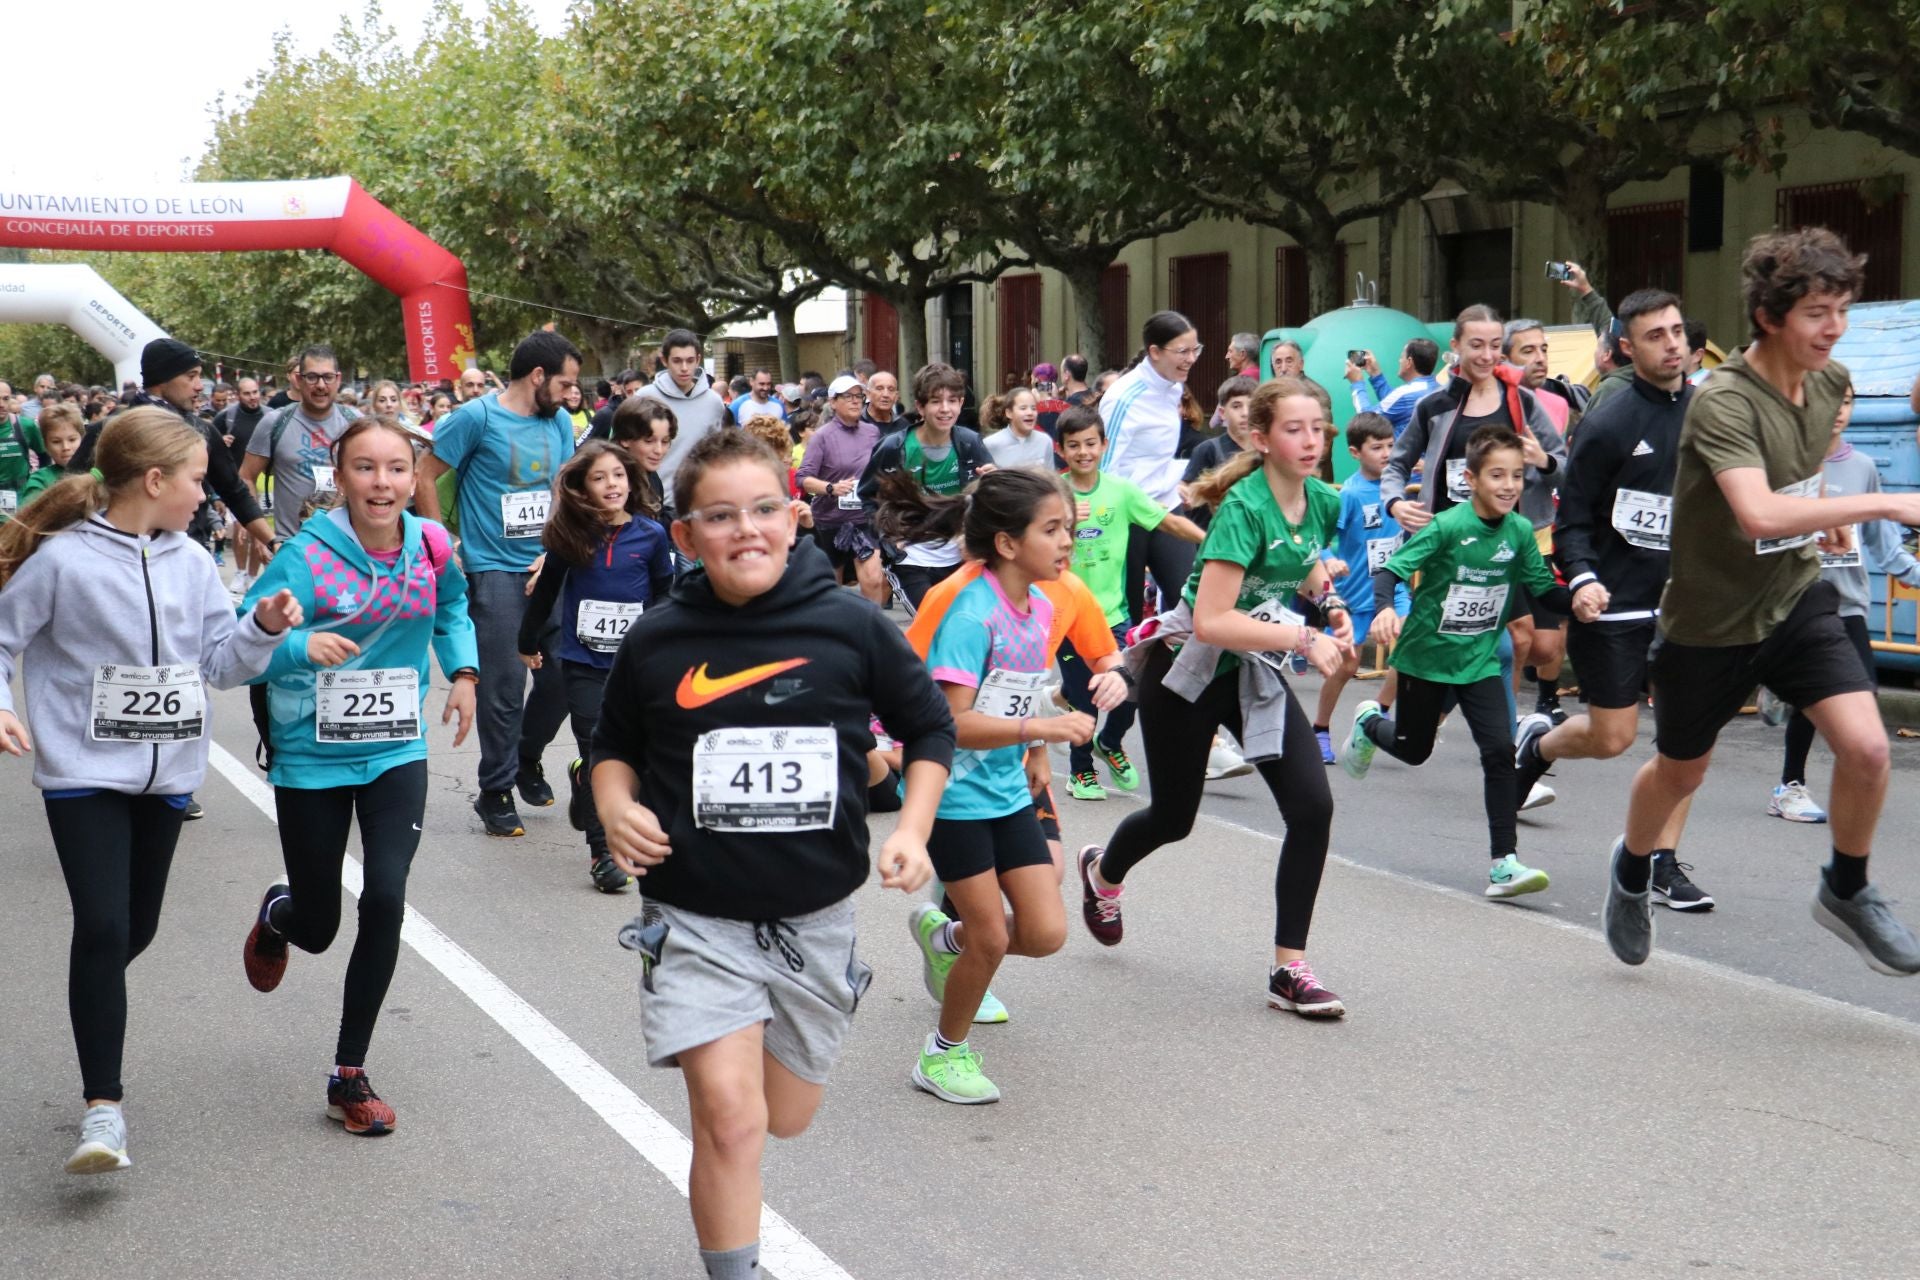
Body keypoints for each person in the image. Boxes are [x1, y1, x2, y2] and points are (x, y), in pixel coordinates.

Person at [589, 429, 951, 1280]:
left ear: (795, 521)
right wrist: (613, 806)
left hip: (814, 917)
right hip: (695, 916)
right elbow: (614, 746)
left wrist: (912, 828)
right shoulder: (658, 638)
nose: (744, 530)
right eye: (719, 516)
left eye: (761, 510)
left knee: (783, 1115)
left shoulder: (851, 624)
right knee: (729, 1117)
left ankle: (829, 992)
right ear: (684, 536)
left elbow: (930, 725)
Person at [1600, 229, 1920, 974]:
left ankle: (1846, 886)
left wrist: (1836, 516)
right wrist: (1884, 505)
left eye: (1841, 308)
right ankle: (1631, 867)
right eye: (1816, 311)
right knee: (1681, 771)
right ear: (1771, 316)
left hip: (1796, 598)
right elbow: (1758, 514)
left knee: (1870, 748)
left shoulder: (1832, 382)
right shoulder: (1723, 405)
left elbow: (1798, 491)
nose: (1834, 326)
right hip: (1709, 624)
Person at [0, 408, 298, 1174]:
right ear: (156, 480)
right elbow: (3, 637)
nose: (208, 496)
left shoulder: (193, 564)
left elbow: (223, 666)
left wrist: (261, 625)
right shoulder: (63, 560)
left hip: (169, 776)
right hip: (83, 774)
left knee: (132, 931)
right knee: (102, 929)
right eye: (199, 480)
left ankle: (93, 998)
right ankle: (104, 1112)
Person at [1078, 377, 1351, 1018]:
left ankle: (1290, 970)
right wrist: (1304, 635)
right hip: (1186, 672)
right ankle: (1103, 873)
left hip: (1249, 672)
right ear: (1261, 438)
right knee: (1174, 818)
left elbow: (1302, 556)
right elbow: (1211, 622)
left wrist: (1329, 598)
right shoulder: (1242, 509)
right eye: (1294, 429)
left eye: (1318, 428)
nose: (1310, 440)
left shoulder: (1322, 500)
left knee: (1312, 810)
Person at [238, 418, 477, 1135]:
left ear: (414, 477)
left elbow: (454, 608)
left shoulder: (432, 545)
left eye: (397, 469)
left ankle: (349, 1074)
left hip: (394, 748)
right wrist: (302, 642)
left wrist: (462, 670)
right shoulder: (309, 556)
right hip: (310, 751)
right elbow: (246, 648)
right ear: (338, 478)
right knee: (318, 926)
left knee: (388, 896)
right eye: (366, 469)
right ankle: (281, 915)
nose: (383, 483)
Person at [880, 468, 1094, 1102]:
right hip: (952, 797)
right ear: (1007, 543)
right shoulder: (973, 616)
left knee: (1047, 932)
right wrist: (1046, 727)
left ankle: (943, 937)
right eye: (1052, 530)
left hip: (1004, 791)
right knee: (994, 936)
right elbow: (950, 722)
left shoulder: (1042, 607)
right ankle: (943, 1055)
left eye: (1069, 530)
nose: (1066, 543)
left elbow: (1020, 686)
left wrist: (1034, 747)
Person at [1512, 289, 1712, 909]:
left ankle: (1659, 861)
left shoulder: (1709, 412)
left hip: (1685, 604)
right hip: (1615, 598)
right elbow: (1572, 521)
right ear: (1627, 346)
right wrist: (1584, 577)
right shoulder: (1609, 420)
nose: (1672, 344)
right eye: (1656, 335)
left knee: (1687, 742)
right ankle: (1538, 746)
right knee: (1613, 738)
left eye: (1677, 331)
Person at [1341, 426, 1593, 899]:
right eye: (1497, 474)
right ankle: (1370, 722)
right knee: (1415, 750)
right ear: (1472, 479)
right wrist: (1385, 610)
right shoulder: (1446, 527)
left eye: (1517, 476)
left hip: (1477, 661)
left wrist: (1578, 599)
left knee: (1498, 753)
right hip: (1425, 659)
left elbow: (1543, 590)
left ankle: (1504, 864)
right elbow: (1390, 570)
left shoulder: (1519, 532)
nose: (1509, 485)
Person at [1379, 304, 1568, 803]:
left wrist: (1542, 458)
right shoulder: (1436, 406)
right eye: (1475, 344)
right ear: (1455, 349)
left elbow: (1568, 465)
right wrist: (1397, 502)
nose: (1485, 354)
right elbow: (1397, 465)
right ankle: (1506, 767)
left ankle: (1397, 721)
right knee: (1503, 644)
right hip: (1450, 546)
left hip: (1508, 541)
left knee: (1535, 646)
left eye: (1493, 344)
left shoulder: (1523, 404)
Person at [415, 331, 580, 838]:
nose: (572, 394)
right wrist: (443, 543)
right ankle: (496, 789)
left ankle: (528, 757)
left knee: (565, 678)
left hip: (550, 566)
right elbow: (424, 475)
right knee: (505, 688)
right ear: (538, 377)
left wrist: (557, 549)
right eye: (566, 383)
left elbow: (562, 488)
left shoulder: (558, 423)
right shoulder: (475, 417)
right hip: (494, 570)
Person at [517, 441, 670, 892]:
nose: (611, 485)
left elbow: (664, 592)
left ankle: (584, 778)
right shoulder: (571, 536)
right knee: (600, 748)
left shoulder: (651, 534)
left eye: (618, 476)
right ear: (583, 486)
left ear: (631, 480)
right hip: (582, 661)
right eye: (599, 477)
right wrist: (526, 643)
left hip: (636, 665)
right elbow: (545, 594)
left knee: (636, 754)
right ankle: (604, 852)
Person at [1766, 383, 1920, 823]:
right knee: (1815, 697)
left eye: (1847, 401)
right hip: (1793, 602)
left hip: (1848, 603)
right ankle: (1789, 784)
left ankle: (1839, 791)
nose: (1837, 410)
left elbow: (1884, 545)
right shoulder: (1787, 465)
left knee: (1860, 697)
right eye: (1828, 399)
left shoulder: (1864, 467)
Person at [1055, 405, 1203, 800]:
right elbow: (1026, 538)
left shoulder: (1121, 492)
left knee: (1128, 691)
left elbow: (1168, 521)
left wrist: (1210, 542)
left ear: (1103, 445)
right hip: (1067, 620)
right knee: (1085, 696)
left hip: (1114, 616)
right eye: (1074, 446)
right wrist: (1065, 519)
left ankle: (1111, 742)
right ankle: (1080, 771)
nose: (1083, 452)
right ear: (1061, 450)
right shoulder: (1052, 494)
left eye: (1090, 443)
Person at [78, 339, 276, 557]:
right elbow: (73, 488)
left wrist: (272, 542)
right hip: (121, 558)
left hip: (188, 557)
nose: (200, 386)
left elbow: (235, 491)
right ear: (162, 379)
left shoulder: (202, 431)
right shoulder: (110, 430)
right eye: (191, 376)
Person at [1311, 412, 1409, 762]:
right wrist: (1330, 559)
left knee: (1410, 649)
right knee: (1347, 667)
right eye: (1377, 447)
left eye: (1390, 446)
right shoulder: (1349, 494)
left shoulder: (1400, 487)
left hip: (1393, 589)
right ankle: (1320, 729)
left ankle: (1376, 716)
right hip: (1355, 595)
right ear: (1355, 452)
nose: (1386, 453)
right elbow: (1320, 538)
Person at [857, 362, 995, 608]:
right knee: (930, 624)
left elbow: (989, 498)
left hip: (958, 554)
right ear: (920, 406)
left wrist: (991, 481)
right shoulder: (894, 447)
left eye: (952, 401)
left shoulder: (969, 442)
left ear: (961, 403)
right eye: (935, 401)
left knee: (958, 625)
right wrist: (889, 538)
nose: (945, 409)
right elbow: (868, 497)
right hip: (912, 556)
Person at [240, 345, 362, 546]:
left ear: (338, 379)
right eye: (312, 377)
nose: (321, 385)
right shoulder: (274, 422)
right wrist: (262, 537)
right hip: (291, 547)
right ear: (298, 379)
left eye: (328, 377)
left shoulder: (356, 423)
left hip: (348, 546)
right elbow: (246, 477)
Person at [796, 373, 885, 604]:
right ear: (833, 402)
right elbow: (803, 478)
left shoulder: (872, 432)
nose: (856, 401)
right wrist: (831, 488)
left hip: (864, 518)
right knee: (831, 586)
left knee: (874, 579)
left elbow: (879, 468)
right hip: (830, 520)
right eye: (848, 396)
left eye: (859, 396)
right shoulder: (822, 437)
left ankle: (870, 632)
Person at [635, 330, 727, 490]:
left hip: (697, 498)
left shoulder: (714, 402)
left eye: (690, 360)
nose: (684, 368)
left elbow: (716, 455)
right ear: (664, 360)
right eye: (677, 361)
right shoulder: (644, 397)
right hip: (651, 500)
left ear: (698, 360)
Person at [1179, 375, 1255, 530]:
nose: (1245, 413)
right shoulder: (1208, 449)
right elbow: (1187, 495)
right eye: (1236, 406)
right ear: (1222, 413)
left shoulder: (1266, 452)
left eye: (1252, 406)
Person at [19, 404, 85, 507]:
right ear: (46, 446)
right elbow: (29, 517)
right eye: (56, 442)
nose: (66, 447)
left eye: (72, 440)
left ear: (83, 439)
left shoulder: (98, 471)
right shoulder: (40, 480)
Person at [981, 385, 1056, 471]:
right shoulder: (990, 444)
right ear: (1009, 413)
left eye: (1033, 408)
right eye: (1023, 408)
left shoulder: (1045, 441)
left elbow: (1051, 480)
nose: (1030, 413)